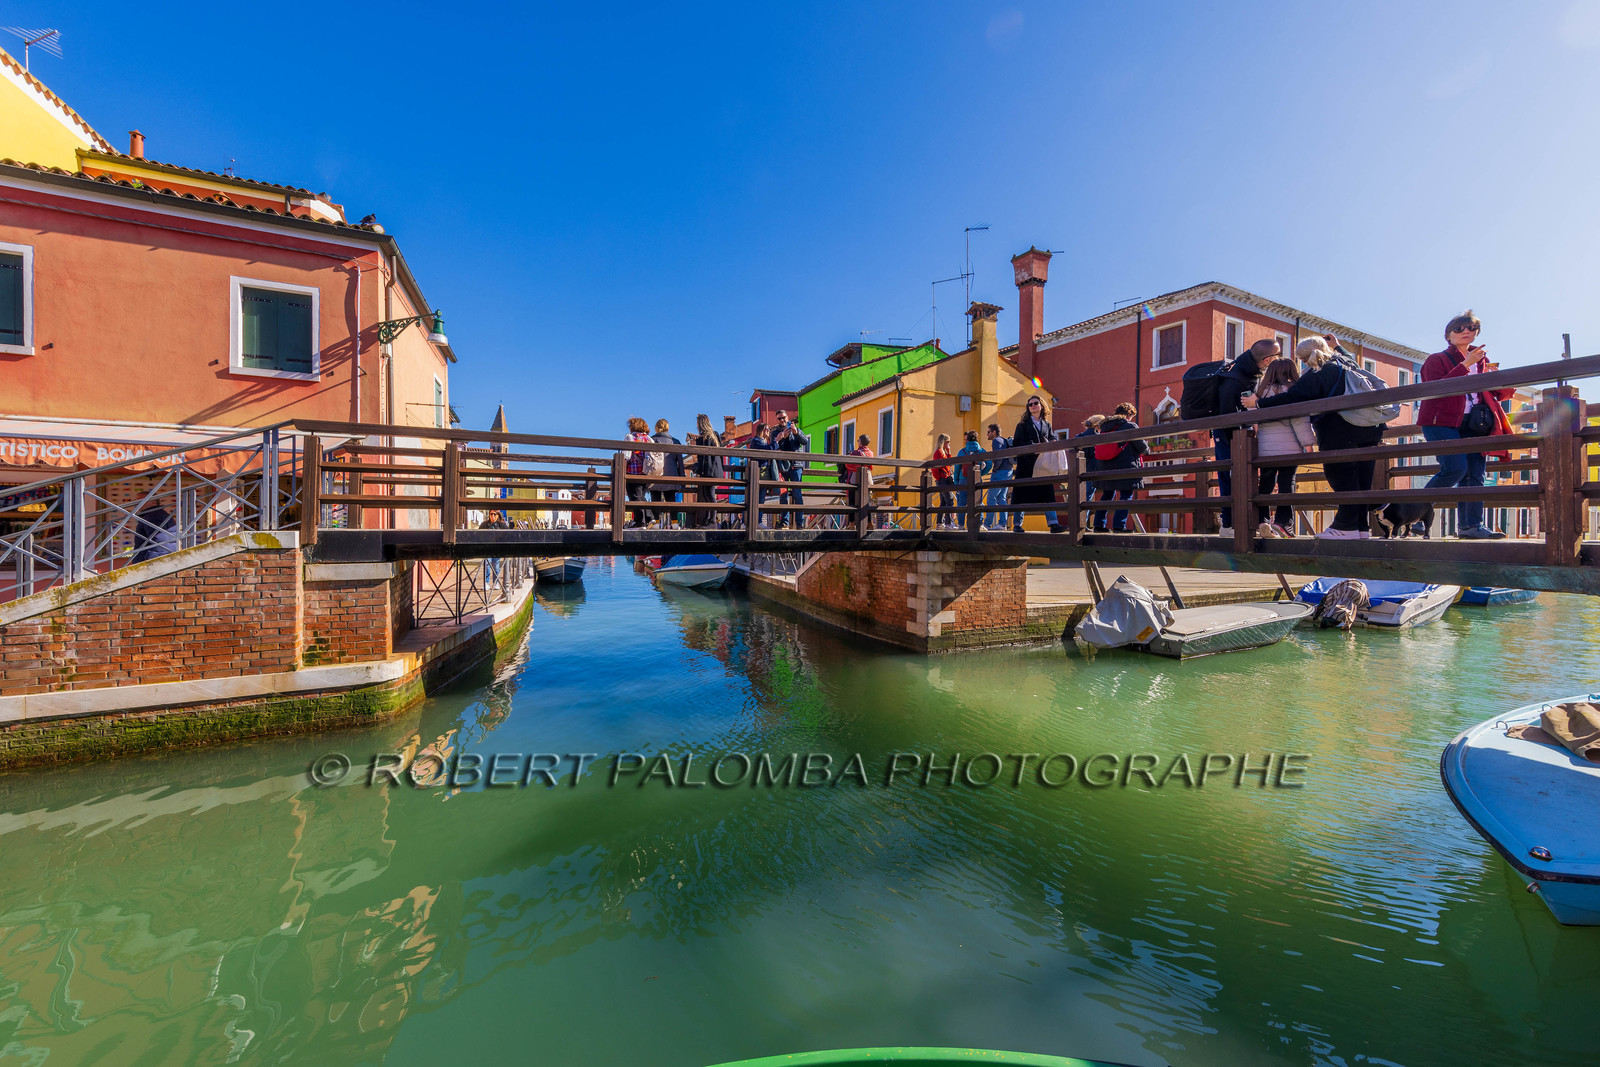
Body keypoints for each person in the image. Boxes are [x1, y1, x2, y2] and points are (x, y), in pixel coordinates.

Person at [1245, 336, 1384, 539]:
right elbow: (1350, 361)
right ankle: (1360, 528)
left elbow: (1292, 398)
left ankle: (1345, 527)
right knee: (1362, 481)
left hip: (1342, 430)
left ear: (1304, 359)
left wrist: (1258, 405)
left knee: (1341, 477)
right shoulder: (1344, 362)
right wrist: (1338, 347)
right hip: (1371, 427)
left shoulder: (1318, 372)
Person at [1416, 310, 1511, 539]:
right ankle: (1416, 514)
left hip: (1475, 423)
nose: (1466, 332)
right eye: (1459, 329)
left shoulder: (1483, 361)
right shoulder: (1436, 359)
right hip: (1441, 421)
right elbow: (1436, 389)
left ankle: (1471, 527)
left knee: (1475, 475)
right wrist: (1467, 364)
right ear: (1448, 335)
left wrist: (1497, 378)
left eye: (1471, 328)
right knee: (1455, 468)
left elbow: (1497, 394)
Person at [1214, 338, 1280, 534]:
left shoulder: (1246, 371)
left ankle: (1244, 523)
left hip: (1239, 434)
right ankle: (1228, 525)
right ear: (1267, 360)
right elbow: (1227, 412)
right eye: (1277, 356)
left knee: (1243, 478)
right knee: (1229, 477)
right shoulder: (1237, 377)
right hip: (1229, 435)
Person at [1253, 359, 1315, 537]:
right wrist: (1308, 445)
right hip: (1289, 449)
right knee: (1287, 484)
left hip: (1265, 449)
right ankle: (1283, 522)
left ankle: (1262, 521)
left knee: (1265, 485)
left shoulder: (1261, 393)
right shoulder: (1293, 391)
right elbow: (1300, 420)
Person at [1091, 403, 1146, 532]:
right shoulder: (1129, 426)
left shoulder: (1104, 427)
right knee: (1126, 495)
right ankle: (1119, 526)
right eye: (1131, 416)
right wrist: (1147, 449)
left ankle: (1098, 525)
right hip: (1125, 466)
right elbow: (1142, 447)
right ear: (1129, 414)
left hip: (1105, 467)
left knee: (1107, 494)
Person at [1012, 395, 1061, 532]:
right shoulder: (1022, 425)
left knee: (1048, 492)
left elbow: (1052, 437)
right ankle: (1017, 524)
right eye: (1030, 404)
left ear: (1041, 406)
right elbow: (1017, 443)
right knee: (1022, 492)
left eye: (1035, 403)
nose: (1033, 405)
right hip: (1027, 463)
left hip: (1043, 463)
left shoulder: (1047, 424)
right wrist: (1034, 445)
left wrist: (1052, 442)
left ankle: (1053, 524)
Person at [771, 410, 809, 529]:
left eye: (783, 417)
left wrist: (796, 432)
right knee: (783, 495)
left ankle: (799, 523)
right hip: (783, 467)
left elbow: (805, 441)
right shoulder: (775, 432)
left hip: (796, 465)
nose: (782, 420)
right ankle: (784, 522)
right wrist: (782, 438)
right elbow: (774, 446)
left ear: (788, 417)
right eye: (779, 419)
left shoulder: (795, 429)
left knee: (798, 495)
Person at [689, 414, 724, 528]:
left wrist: (698, 469)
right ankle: (708, 519)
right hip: (714, 470)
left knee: (709, 494)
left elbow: (702, 457)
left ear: (700, 424)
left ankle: (712, 521)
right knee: (707, 494)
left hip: (709, 471)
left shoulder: (704, 438)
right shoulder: (714, 436)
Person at [651, 418, 684, 528]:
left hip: (655, 475)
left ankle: (655, 522)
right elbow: (680, 463)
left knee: (655, 499)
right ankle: (674, 523)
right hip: (671, 475)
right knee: (671, 500)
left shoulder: (651, 441)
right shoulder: (675, 442)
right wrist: (682, 478)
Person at [623, 417, 653, 527]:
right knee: (641, 496)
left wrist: (623, 472)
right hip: (646, 471)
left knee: (635, 497)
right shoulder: (648, 438)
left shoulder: (630, 437)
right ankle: (649, 517)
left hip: (633, 471)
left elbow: (626, 456)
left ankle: (640, 522)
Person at [983, 423, 1014, 530]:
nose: (987, 434)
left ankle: (986, 524)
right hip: (1009, 471)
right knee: (1002, 498)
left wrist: (995, 468)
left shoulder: (996, 441)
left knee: (991, 497)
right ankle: (1002, 524)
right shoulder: (1004, 440)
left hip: (1000, 472)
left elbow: (999, 456)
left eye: (988, 432)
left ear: (994, 432)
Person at [747, 424, 778, 527]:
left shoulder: (763, 441)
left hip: (763, 473)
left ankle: (758, 521)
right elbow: (768, 451)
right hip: (758, 473)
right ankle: (749, 522)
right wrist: (776, 441)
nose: (769, 431)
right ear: (762, 430)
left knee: (760, 499)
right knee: (754, 499)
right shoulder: (756, 441)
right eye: (767, 429)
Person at [955, 430, 988, 525]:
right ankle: (978, 524)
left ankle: (961, 525)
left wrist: (956, 481)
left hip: (963, 479)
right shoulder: (982, 451)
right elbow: (989, 463)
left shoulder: (962, 451)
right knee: (978, 502)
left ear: (967, 440)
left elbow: (957, 468)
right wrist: (980, 473)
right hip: (976, 480)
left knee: (961, 503)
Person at [1072, 413, 1106, 509]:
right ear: (1098, 426)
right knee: (1086, 499)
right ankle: (1082, 523)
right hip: (1092, 472)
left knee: (1079, 500)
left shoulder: (1079, 437)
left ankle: (1077, 522)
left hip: (1077, 473)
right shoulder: (1099, 438)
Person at [931, 434, 956, 528]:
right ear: (944, 442)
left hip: (941, 479)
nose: (949, 444)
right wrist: (940, 478)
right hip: (943, 479)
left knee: (943, 502)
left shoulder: (942, 452)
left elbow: (949, 464)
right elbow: (940, 467)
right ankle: (948, 523)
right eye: (948, 442)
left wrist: (949, 452)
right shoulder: (939, 452)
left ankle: (940, 523)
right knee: (949, 501)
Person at [479, 510, 507, 593]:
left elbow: (508, 534)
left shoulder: (501, 525)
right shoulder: (484, 524)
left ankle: (496, 583)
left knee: (496, 566)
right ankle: (486, 583)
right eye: (491, 514)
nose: (493, 516)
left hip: (496, 549)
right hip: (487, 548)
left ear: (497, 515)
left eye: (495, 514)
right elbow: (478, 534)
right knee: (487, 565)